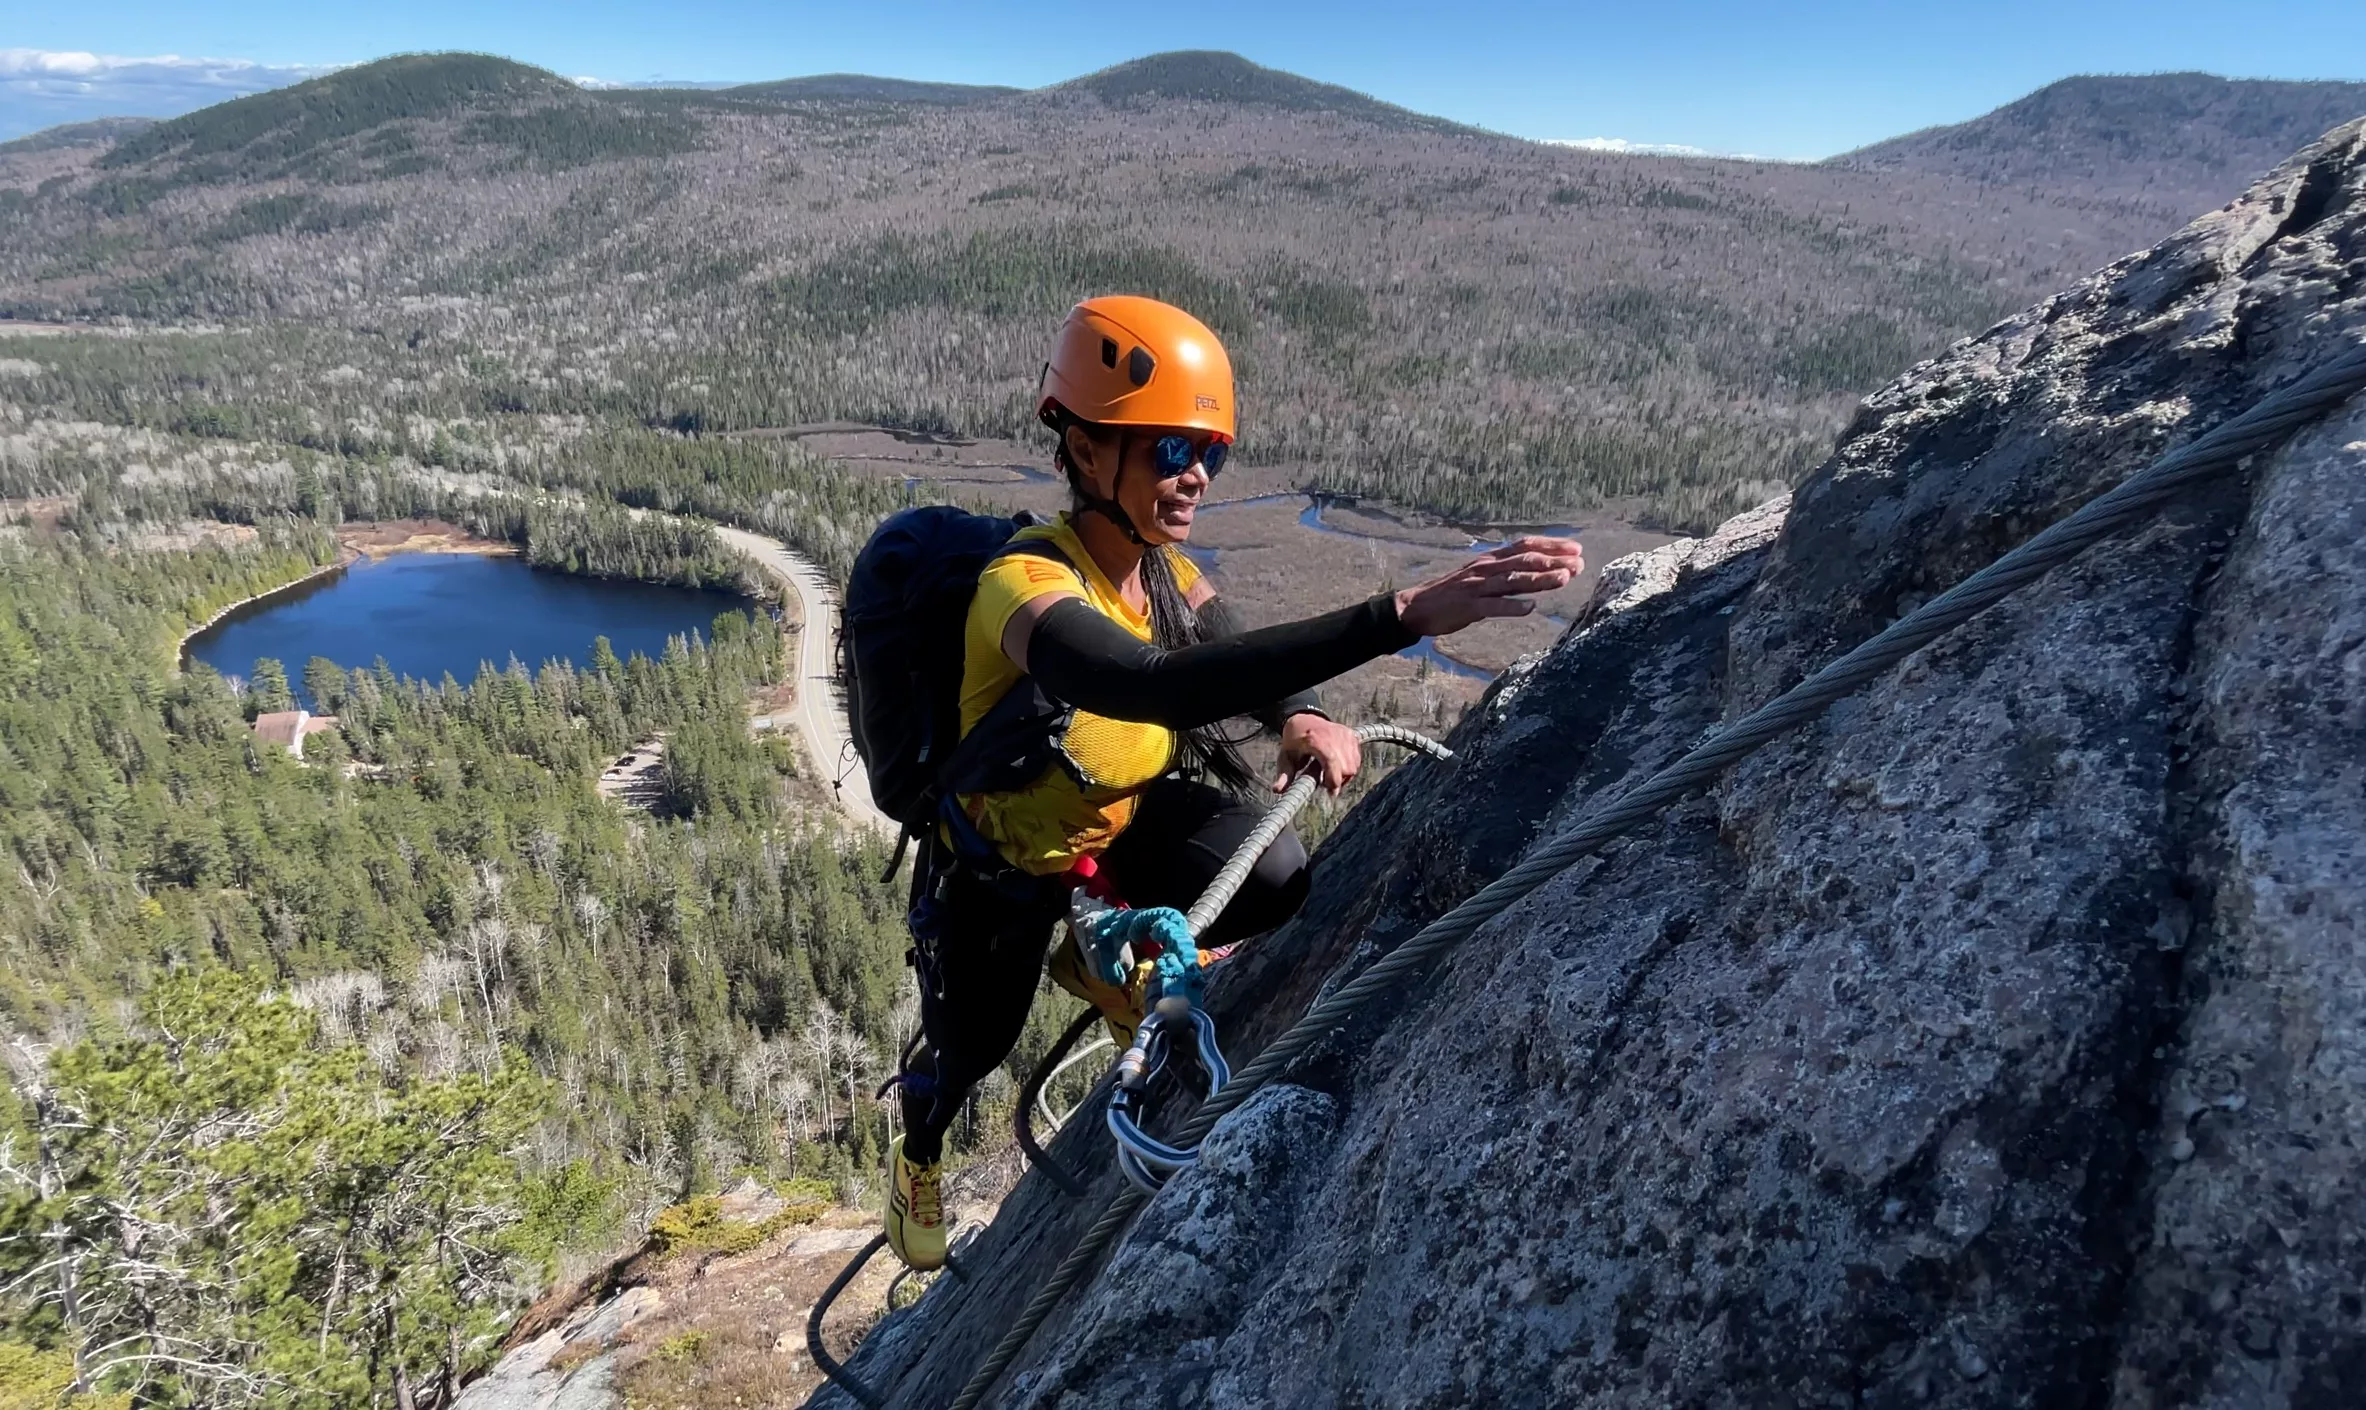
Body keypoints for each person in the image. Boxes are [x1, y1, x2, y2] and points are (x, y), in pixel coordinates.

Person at [885, 295, 1582, 1269]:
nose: (1196, 477)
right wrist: (1403, 614)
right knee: (973, 1049)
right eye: (1169, 449)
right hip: (1004, 863)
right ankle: (916, 1146)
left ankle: (1100, 962)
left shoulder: (1156, 569)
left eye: (1208, 451)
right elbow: (1145, 683)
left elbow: (1222, 643)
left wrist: (1295, 714)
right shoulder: (1026, 584)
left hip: (1109, 815)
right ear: (1086, 451)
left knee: (1274, 874)